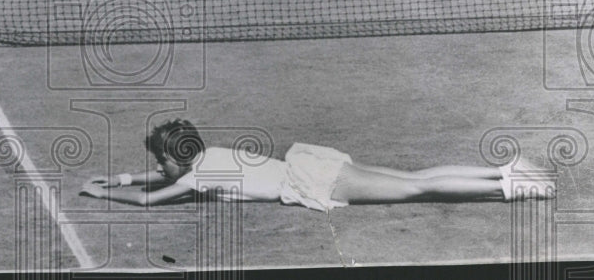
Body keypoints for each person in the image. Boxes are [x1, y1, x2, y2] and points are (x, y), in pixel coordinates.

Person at [80, 119, 554, 210]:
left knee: (416, 190)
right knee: (415, 179)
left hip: (316, 181)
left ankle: (513, 186)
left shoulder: (199, 175)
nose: (158, 167)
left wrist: (105, 192)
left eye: (159, 160)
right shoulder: (211, 155)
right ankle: (506, 171)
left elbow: (150, 198)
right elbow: (160, 175)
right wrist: (122, 174)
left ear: (173, 159)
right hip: (310, 163)